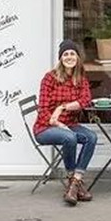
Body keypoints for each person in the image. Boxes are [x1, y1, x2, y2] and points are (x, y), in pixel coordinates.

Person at [33, 39, 97, 206]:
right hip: (45, 127)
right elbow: (43, 110)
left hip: (69, 124)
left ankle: (75, 181)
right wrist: (58, 124)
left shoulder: (80, 78)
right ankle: (72, 179)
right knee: (70, 137)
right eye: (66, 54)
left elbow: (86, 100)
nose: (69, 57)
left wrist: (62, 107)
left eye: (72, 54)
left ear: (77, 57)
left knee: (91, 137)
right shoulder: (50, 78)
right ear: (61, 58)